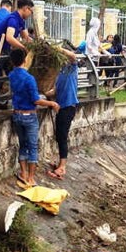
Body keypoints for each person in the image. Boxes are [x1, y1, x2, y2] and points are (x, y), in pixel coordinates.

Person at [8, 48, 59, 188]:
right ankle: (31, 178)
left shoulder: (11, 76)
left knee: (23, 145)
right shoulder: (29, 78)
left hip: (17, 115)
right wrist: (51, 103)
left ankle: (23, 173)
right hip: (29, 115)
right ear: (25, 60)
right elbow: (36, 100)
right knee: (33, 147)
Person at [47, 48, 80, 180]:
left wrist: (57, 49)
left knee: (62, 136)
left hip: (68, 106)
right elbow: (55, 90)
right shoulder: (60, 73)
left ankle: (62, 166)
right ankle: (60, 162)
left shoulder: (71, 68)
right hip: (60, 107)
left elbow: (72, 56)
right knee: (59, 135)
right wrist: (44, 94)